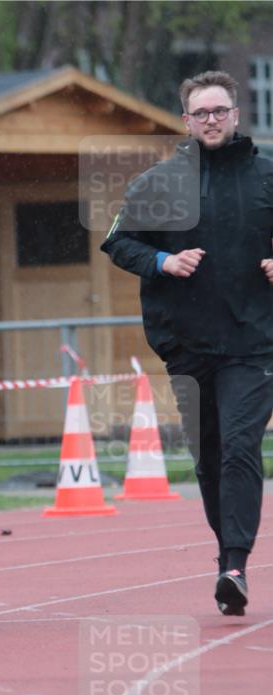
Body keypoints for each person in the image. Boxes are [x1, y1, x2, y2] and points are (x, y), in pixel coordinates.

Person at [101, 71, 273, 616]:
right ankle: (228, 558)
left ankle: (235, 564)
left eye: (220, 111)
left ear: (237, 115)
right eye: (201, 114)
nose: (212, 120)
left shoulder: (267, 173)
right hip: (188, 343)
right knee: (209, 455)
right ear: (186, 121)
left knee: (241, 446)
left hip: (254, 341)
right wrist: (161, 261)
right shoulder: (159, 183)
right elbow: (118, 241)